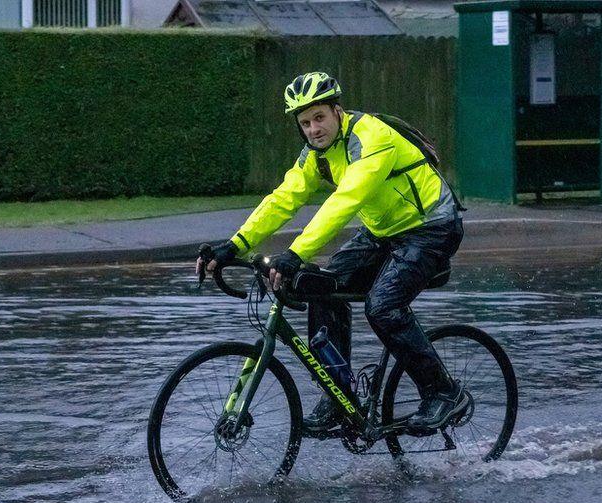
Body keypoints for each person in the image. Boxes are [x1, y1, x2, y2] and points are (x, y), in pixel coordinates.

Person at [196, 71, 466, 433]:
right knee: (318, 286)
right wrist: (234, 246)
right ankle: (339, 397)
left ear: (337, 111)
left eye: (319, 117)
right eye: (305, 123)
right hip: (383, 232)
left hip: (431, 228)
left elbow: (346, 199)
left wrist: (294, 253)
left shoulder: (371, 136)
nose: (313, 129)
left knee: (383, 306)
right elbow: (283, 199)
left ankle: (444, 392)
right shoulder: (316, 155)